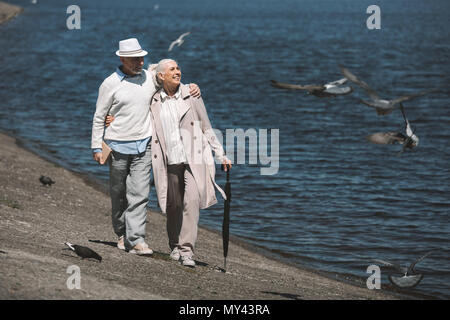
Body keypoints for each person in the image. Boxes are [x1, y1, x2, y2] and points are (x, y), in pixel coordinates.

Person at [91, 38, 200, 255]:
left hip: (144, 145)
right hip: (117, 146)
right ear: (122, 58)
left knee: (139, 194)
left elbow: (170, 79)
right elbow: (99, 116)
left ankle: (137, 240)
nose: (139, 62)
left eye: (141, 58)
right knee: (118, 193)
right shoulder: (110, 83)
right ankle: (121, 233)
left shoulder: (150, 78)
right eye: (133, 59)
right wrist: (96, 146)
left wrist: (191, 87)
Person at [150, 59, 232, 267]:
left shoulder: (191, 95)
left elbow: (206, 125)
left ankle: (187, 251)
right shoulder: (153, 100)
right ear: (161, 76)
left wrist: (220, 154)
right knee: (173, 205)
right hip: (169, 160)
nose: (178, 72)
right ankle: (174, 245)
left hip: (194, 160)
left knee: (191, 202)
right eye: (172, 69)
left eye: (178, 68)